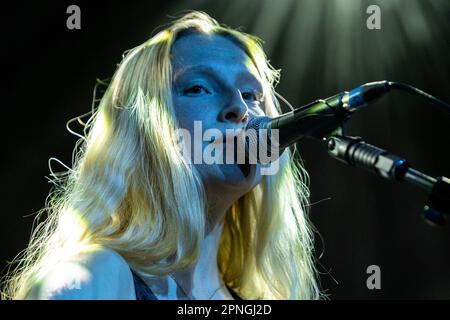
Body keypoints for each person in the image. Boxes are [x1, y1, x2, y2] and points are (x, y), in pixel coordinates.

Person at [1, 11, 321, 300]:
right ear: (143, 125)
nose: (239, 108)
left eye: (251, 95)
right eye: (198, 88)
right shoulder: (97, 275)